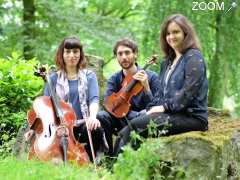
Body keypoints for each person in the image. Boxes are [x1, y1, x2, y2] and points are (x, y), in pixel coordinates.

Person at [113, 14, 208, 156]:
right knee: (124, 131)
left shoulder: (194, 57)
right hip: (172, 113)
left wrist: (163, 107)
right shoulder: (167, 62)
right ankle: (111, 170)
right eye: (168, 34)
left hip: (192, 117)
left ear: (185, 33)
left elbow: (188, 94)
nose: (171, 37)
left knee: (136, 127)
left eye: (176, 32)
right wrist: (152, 108)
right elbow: (159, 95)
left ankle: (114, 172)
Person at [25, 36, 108, 162]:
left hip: (80, 124)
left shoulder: (89, 76)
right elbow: (45, 110)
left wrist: (92, 117)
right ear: (61, 54)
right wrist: (33, 129)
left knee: (95, 128)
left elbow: (94, 99)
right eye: (67, 52)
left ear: (80, 54)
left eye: (75, 51)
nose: (71, 55)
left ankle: (92, 161)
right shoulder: (52, 78)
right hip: (59, 127)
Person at [97, 38, 159, 156]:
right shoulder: (114, 79)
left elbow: (156, 106)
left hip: (142, 120)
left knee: (144, 114)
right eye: (120, 54)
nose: (124, 57)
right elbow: (108, 105)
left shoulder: (152, 77)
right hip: (120, 119)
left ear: (135, 54)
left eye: (127, 52)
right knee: (101, 116)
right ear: (116, 57)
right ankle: (109, 156)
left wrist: (146, 87)